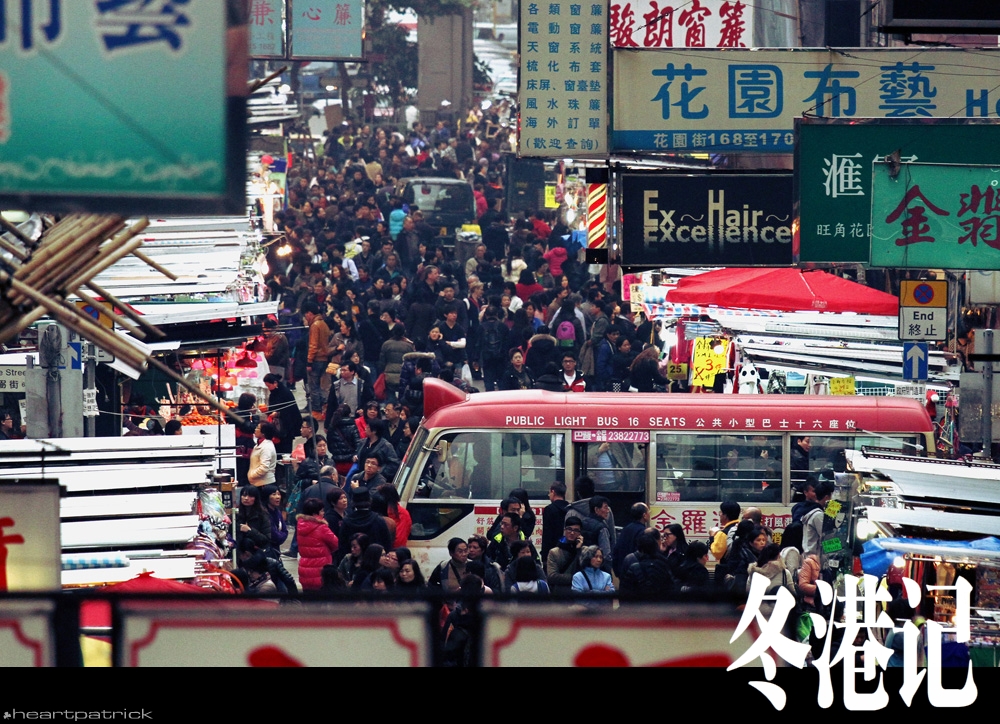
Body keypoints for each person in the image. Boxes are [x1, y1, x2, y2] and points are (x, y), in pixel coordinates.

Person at [336, 488, 392, 560]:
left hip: (353, 563)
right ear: (370, 500)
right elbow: (387, 543)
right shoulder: (378, 520)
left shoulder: (346, 522)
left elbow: (342, 546)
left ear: (353, 502)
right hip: (375, 562)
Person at [296, 497, 339, 591]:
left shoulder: (300, 525)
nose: (323, 513)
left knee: (308, 600)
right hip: (321, 569)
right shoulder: (321, 527)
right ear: (315, 513)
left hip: (304, 569)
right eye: (322, 511)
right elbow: (335, 543)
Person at [746, 543, 795, 617]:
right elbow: (792, 593)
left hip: (757, 612)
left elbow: (748, 591)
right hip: (780, 613)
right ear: (778, 555)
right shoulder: (784, 573)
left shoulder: (754, 572)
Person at [303, 301, 331, 423]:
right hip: (324, 358)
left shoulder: (315, 325)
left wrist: (309, 361)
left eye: (306, 315)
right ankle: (325, 406)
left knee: (314, 386)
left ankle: (317, 411)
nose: (306, 318)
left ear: (309, 313)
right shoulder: (323, 323)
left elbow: (313, 345)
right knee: (319, 385)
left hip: (316, 359)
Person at [263, 373, 302, 455]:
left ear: (275, 383)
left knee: (285, 450)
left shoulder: (285, 393)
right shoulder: (273, 394)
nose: (268, 388)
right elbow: (272, 408)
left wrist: (278, 414)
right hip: (276, 427)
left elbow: (291, 411)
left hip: (286, 427)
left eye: (269, 386)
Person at [546, 516, 584, 594]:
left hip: (580, 593)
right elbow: (552, 576)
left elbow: (585, 571)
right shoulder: (554, 552)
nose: (572, 533)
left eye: (576, 530)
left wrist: (578, 550)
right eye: (569, 529)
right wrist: (576, 578)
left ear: (580, 534)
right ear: (564, 530)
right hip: (561, 593)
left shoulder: (584, 551)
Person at [613, 502, 650, 578]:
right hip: (636, 574)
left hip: (623, 571)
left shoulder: (626, 529)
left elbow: (616, 550)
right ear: (644, 515)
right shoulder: (643, 531)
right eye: (648, 512)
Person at [235, 485, 271, 553]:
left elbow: (266, 539)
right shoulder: (235, 513)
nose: (246, 498)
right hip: (238, 553)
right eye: (244, 495)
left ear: (256, 498)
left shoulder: (262, 515)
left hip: (256, 553)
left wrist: (249, 531)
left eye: (250, 496)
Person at [233, 393, 259, 486]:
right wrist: (255, 416)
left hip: (241, 444)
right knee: (243, 470)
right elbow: (251, 428)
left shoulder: (235, 411)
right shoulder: (241, 415)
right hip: (243, 446)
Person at [541, 481, 570, 564]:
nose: (548, 495)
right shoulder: (570, 508)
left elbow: (547, 534)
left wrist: (544, 556)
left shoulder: (549, 509)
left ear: (553, 492)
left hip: (553, 550)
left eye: (549, 493)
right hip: (567, 549)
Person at [261, 483, 288, 559]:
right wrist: (280, 536)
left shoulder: (277, 512)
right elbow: (273, 535)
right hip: (267, 551)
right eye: (274, 494)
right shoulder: (264, 513)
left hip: (276, 550)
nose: (277, 497)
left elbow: (285, 531)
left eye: (278, 494)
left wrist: (280, 536)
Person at [247, 422, 278, 487]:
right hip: (258, 483)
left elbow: (264, 468)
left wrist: (251, 475)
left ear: (263, 433)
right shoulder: (258, 445)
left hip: (265, 484)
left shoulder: (267, 447)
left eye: (257, 428)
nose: (255, 429)